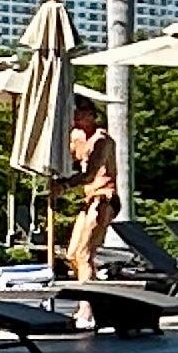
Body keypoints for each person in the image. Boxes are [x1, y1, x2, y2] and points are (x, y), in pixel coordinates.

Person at [61, 96, 119, 281]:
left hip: (104, 198)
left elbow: (90, 174)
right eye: (75, 113)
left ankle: (87, 305)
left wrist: (65, 186)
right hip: (88, 200)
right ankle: (92, 292)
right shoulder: (76, 136)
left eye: (81, 112)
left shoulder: (102, 141)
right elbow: (67, 161)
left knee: (84, 253)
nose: (77, 116)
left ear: (92, 115)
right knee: (72, 254)